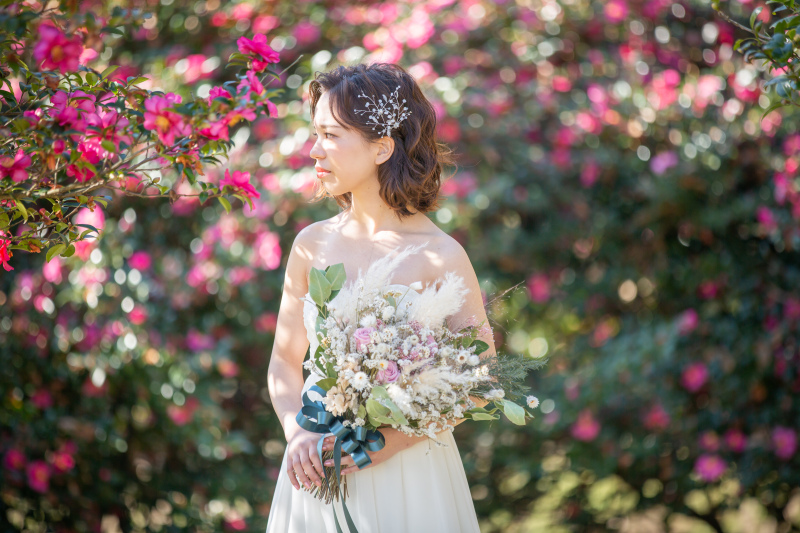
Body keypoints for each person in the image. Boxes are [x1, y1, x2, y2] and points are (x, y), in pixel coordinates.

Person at [265, 62, 494, 533]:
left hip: (409, 477)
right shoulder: (311, 245)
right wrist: (298, 435)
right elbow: (285, 362)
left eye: (330, 135)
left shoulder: (442, 256)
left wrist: (377, 447)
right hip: (314, 468)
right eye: (315, 134)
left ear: (381, 147)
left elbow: (480, 378)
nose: (314, 150)